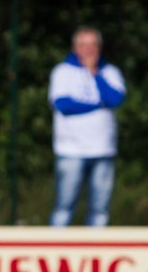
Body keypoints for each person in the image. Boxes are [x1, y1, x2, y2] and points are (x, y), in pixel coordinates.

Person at [48, 27, 127, 227]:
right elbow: (64, 105)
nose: (88, 49)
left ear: (99, 47)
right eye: (83, 45)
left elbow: (115, 98)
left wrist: (95, 74)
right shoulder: (62, 72)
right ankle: (56, 250)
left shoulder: (110, 72)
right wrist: (98, 104)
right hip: (71, 150)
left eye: (92, 44)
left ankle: (96, 252)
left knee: (100, 210)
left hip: (103, 149)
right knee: (64, 206)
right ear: (75, 48)